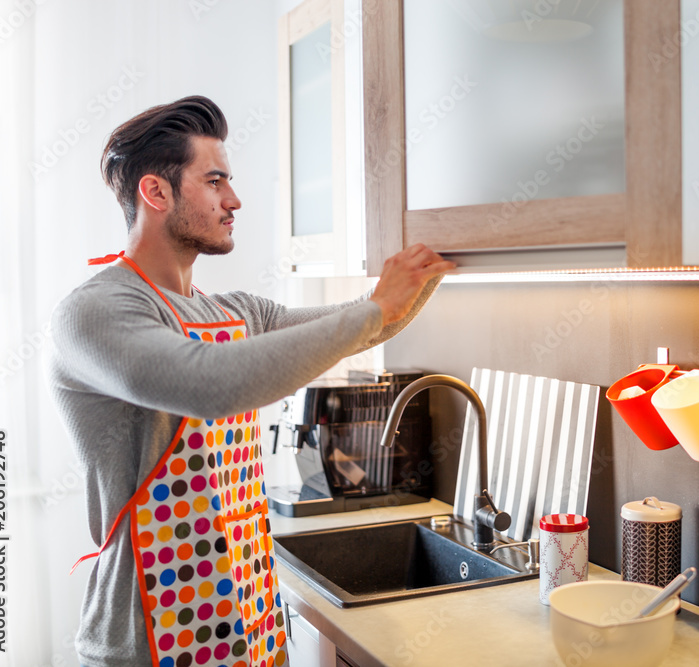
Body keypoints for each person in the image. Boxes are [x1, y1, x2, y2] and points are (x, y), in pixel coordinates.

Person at [47, 95, 454, 667]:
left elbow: (361, 325)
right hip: (144, 641)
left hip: (246, 625)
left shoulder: (234, 311)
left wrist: (433, 265)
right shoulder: (95, 313)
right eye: (214, 182)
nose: (234, 200)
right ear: (155, 192)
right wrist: (375, 308)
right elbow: (215, 385)